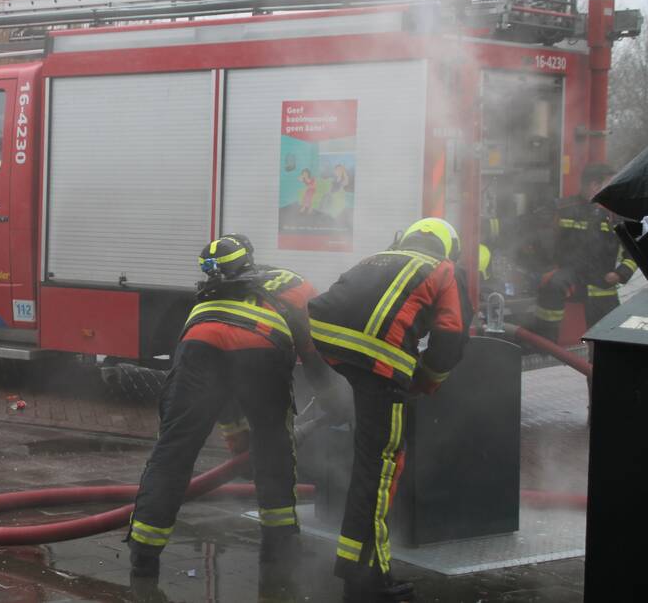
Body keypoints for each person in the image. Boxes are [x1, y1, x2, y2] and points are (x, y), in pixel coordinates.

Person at [127, 234, 321, 579]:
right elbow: (312, 350)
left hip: (198, 343)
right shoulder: (296, 283)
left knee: (174, 450)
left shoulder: (209, 294)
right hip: (261, 346)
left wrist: (234, 438)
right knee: (274, 444)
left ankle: (143, 552)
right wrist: (334, 399)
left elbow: (221, 387)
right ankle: (280, 544)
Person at [307, 217, 473, 603]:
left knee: (367, 460)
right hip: (379, 361)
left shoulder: (379, 256)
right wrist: (426, 382)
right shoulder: (444, 268)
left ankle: (356, 566)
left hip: (327, 341)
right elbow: (451, 334)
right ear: (449, 247)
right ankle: (368, 579)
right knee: (379, 468)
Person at [531, 163, 638, 343]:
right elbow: (537, 236)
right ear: (595, 186)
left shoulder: (614, 214)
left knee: (609, 342)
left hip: (604, 289)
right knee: (553, 287)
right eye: (610, 185)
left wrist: (620, 273)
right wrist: (549, 268)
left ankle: (599, 368)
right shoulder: (562, 208)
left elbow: (634, 250)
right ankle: (545, 342)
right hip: (571, 281)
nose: (614, 190)